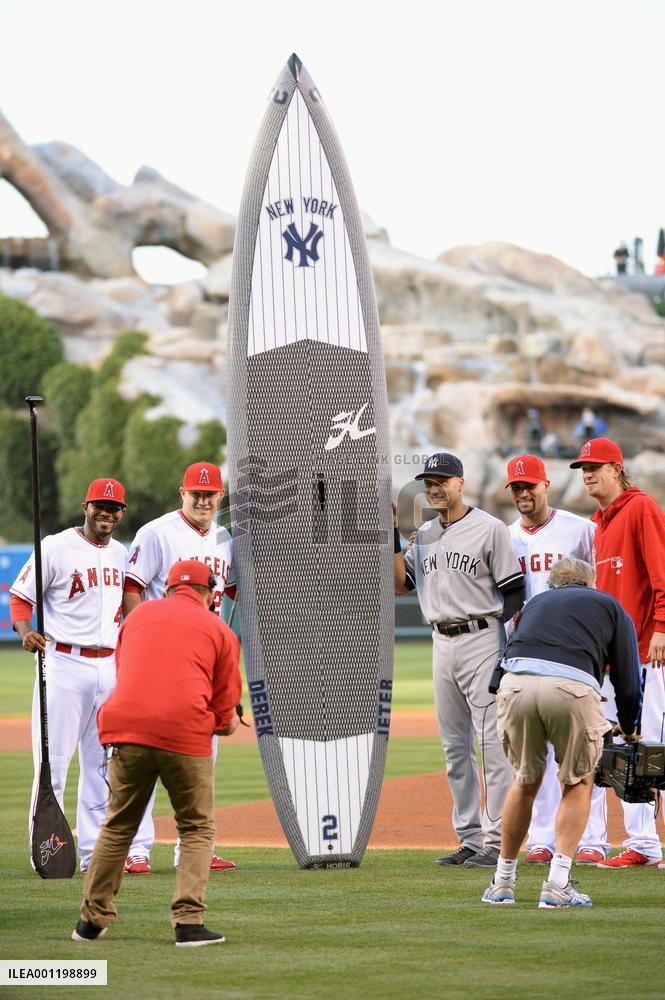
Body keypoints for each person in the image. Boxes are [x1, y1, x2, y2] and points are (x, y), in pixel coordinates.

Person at [71, 559, 242, 947]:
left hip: (126, 730)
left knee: (118, 826)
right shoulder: (218, 628)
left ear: (168, 588)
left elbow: (128, 672)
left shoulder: (137, 618)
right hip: (183, 734)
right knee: (195, 827)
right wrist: (228, 721)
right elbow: (224, 712)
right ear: (209, 594)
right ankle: (188, 923)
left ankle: (90, 921)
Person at [9, 478, 153, 873]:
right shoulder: (55, 547)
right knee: (53, 765)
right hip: (63, 664)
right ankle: (45, 849)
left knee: (101, 766)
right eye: (100, 505)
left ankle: (93, 853)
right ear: (85, 506)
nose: (107, 512)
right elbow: (21, 598)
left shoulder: (122, 554)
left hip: (109, 667)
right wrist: (24, 631)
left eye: (114, 507)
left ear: (122, 513)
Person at [482, 557, 641, 908]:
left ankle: (502, 882)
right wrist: (630, 727)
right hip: (571, 686)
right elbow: (628, 680)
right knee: (578, 781)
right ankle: (557, 884)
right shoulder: (610, 605)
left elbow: (508, 650)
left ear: (553, 584)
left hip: (515, 684)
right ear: (591, 582)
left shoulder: (536, 603)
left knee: (524, 780)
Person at [394, 452, 525, 868]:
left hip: (482, 638)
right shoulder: (424, 534)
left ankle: (495, 841)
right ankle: (469, 838)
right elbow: (401, 585)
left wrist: (507, 646)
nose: (434, 488)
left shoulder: (490, 528)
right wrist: (390, 536)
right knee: (454, 748)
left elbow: (514, 590)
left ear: (460, 483)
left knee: (491, 745)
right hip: (440, 641)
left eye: (442, 481)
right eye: (428, 482)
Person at [120, 461, 236, 875]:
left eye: (210, 494)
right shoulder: (156, 533)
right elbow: (132, 587)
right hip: (159, 659)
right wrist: (140, 643)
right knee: (146, 757)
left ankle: (195, 848)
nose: (203, 501)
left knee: (202, 760)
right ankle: (136, 849)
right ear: (182, 493)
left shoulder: (225, 539)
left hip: (203, 662)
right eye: (195, 494)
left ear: (220, 496)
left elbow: (234, 592)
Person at [505, 455, 608, 865]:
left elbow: (602, 583)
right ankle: (542, 838)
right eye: (516, 487)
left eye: (529, 485)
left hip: (577, 653)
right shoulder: (506, 537)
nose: (523, 493)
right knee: (536, 756)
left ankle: (593, 839)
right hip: (526, 652)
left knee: (584, 749)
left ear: (545, 485)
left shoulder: (581, 530)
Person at [570, 437, 665, 868]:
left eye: (595, 467)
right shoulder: (600, 523)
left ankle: (645, 844)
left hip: (644, 650)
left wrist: (661, 627)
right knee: (619, 749)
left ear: (616, 469)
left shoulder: (640, 508)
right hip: (612, 656)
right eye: (583, 468)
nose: (588, 474)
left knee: (647, 746)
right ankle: (638, 842)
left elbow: (661, 572)